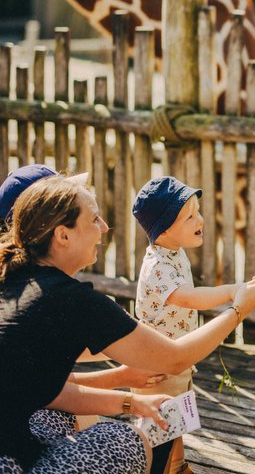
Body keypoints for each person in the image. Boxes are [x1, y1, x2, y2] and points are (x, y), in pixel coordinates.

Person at [0, 175, 255, 474]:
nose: (104, 227)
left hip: (13, 443)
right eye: (94, 219)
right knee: (128, 439)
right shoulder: (70, 299)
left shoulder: (14, 280)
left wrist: (130, 402)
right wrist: (238, 310)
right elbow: (175, 358)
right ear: (63, 235)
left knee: (63, 417)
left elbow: (47, 392)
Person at [0, 165, 167, 396]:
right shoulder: (47, 291)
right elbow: (38, 388)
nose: (105, 227)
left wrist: (130, 344)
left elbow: (55, 352)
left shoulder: (19, 277)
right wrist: (119, 379)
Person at [132, 176, 241, 474]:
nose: (201, 219)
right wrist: (233, 293)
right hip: (158, 365)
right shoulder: (158, 268)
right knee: (159, 429)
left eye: (198, 211)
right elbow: (190, 298)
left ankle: (178, 467)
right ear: (164, 228)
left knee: (175, 420)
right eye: (189, 215)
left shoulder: (174, 252)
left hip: (177, 358)